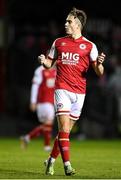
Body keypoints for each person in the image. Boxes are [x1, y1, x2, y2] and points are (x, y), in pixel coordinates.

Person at [38, 7, 106, 176]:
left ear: (77, 24)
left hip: (80, 93)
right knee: (64, 127)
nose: (66, 23)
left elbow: (99, 72)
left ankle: (50, 161)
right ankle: (67, 165)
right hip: (62, 89)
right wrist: (43, 61)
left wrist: (99, 63)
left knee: (65, 131)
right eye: (66, 21)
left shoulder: (90, 46)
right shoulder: (58, 42)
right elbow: (49, 64)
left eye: (69, 21)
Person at [20, 65, 56, 151]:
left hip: (51, 102)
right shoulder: (40, 70)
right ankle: (46, 146)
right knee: (48, 123)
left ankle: (27, 138)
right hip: (43, 101)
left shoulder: (56, 71)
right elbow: (35, 86)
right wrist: (33, 101)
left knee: (46, 125)